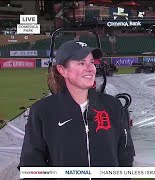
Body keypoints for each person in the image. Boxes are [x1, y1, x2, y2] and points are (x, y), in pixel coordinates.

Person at [18, 40, 135, 170]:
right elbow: (31, 163)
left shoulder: (113, 106)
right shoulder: (42, 111)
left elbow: (125, 154)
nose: (90, 68)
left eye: (91, 62)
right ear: (63, 70)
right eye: (81, 63)